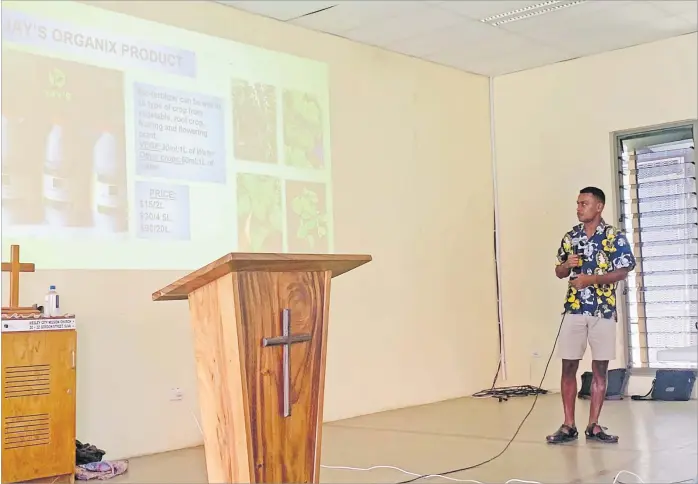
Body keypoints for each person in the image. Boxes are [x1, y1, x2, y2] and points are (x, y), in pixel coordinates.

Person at [546, 186, 636, 444]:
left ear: (599, 207)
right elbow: (559, 272)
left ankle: (593, 425)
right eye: (577, 203)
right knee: (568, 366)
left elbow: (623, 271)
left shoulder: (613, 236)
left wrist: (591, 279)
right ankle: (568, 425)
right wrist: (566, 266)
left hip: (603, 310)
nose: (578, 208)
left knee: (600, 368)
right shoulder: (570, 236)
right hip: (574, 308)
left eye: (584, 203)